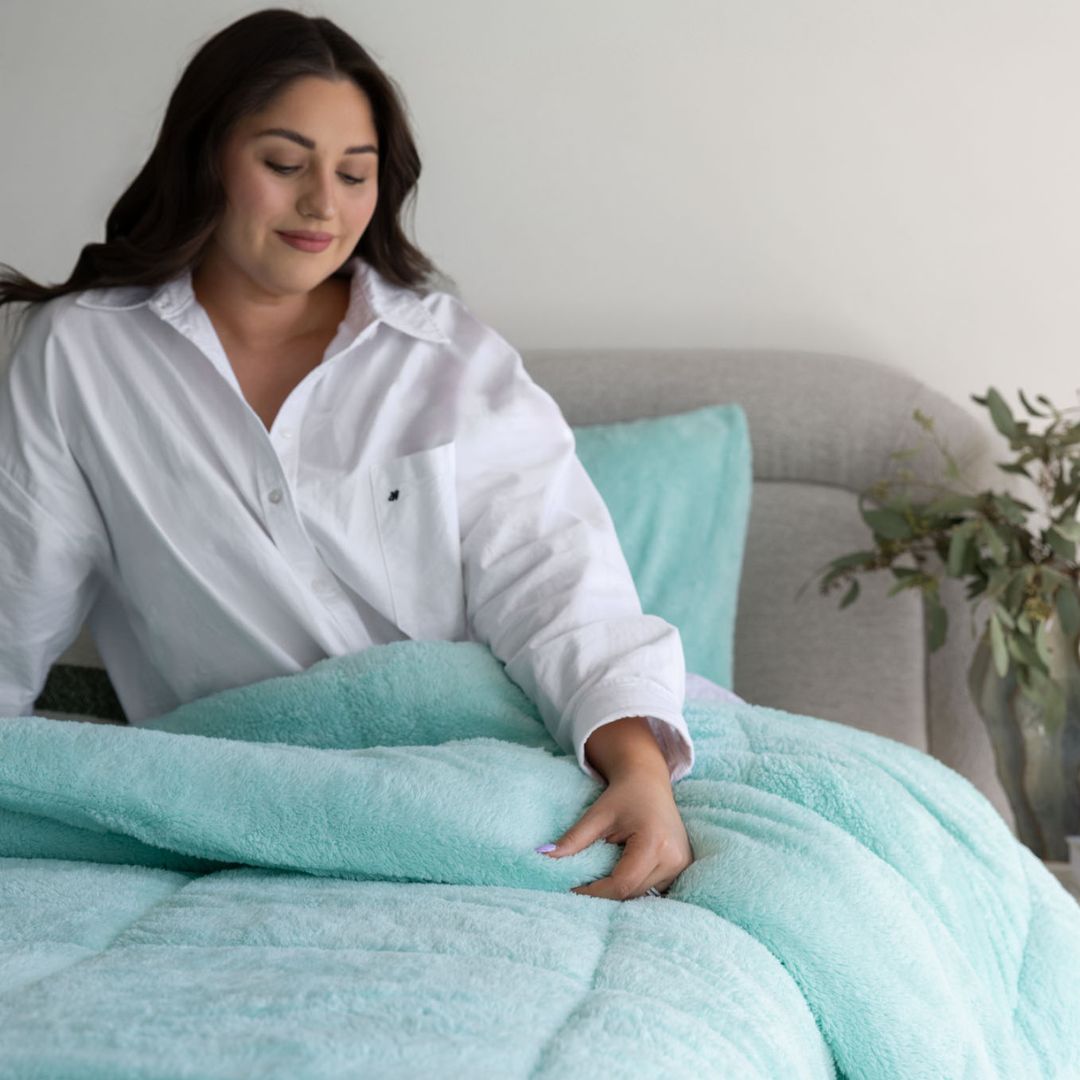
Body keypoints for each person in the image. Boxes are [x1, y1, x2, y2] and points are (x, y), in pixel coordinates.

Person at [0, 8, 695, 901]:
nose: (323, 204)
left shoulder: (447, 357)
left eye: (354, 173)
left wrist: (638, 769)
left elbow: (557, 583)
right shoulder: (80, 354)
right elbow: (13, 605)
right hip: (236, 791)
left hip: (483, 762)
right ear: (206, 156)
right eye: (284, 164)